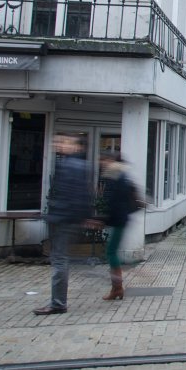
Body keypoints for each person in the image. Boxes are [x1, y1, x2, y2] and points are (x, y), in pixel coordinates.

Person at [34, 134, 94, 315]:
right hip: (67, 218)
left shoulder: (70, 166)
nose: (58, 144)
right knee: (61, 259)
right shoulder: (76, 165)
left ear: (75, 146)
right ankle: (58, 302)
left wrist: (59, 214)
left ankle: (58, 303)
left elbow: (74, 195)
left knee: (60, 260)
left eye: (63, 142)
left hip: (64, 220)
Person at [96, 151, 138, 301]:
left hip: (118, 219)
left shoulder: (115, 176)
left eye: (103, 160)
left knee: (111, 252)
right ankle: (116, 288)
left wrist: (106, 219)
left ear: (109, 160)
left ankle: (117, 287)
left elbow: (114, 201)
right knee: (112, 252)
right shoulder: (121, 175)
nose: (101, 163)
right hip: (120, 218)